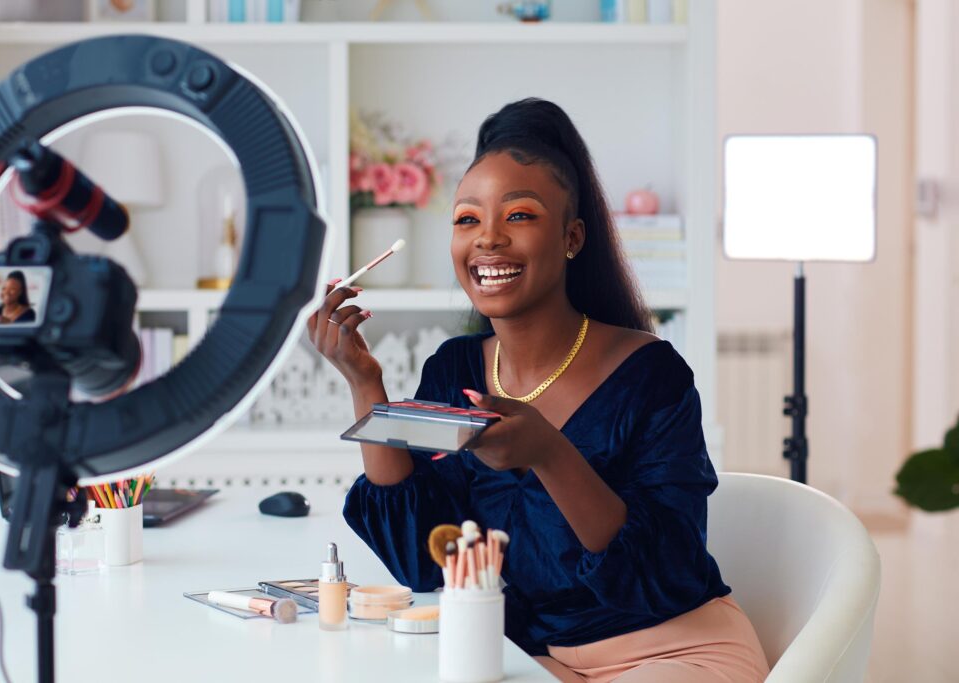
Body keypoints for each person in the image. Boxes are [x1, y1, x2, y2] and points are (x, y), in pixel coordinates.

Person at [308, 98, 769, 682]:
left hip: (671, 651)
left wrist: (550, 454)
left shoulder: (651, 375)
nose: (488, 240)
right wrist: (364, 382)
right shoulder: (455, 370)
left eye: (519, 216)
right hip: (530, 658)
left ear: (572, 237)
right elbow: (421, 559)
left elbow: (666, 571)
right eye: (468, 219)